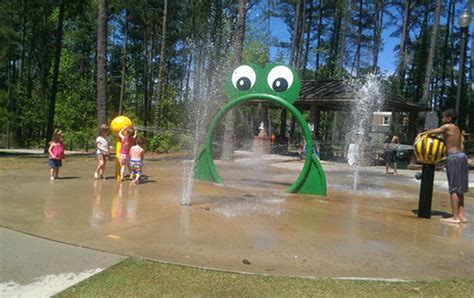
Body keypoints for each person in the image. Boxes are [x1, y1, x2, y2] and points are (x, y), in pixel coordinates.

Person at [418, 109, 469, 224]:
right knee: (460, 188)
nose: (441, 120)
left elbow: (432, 132)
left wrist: (422, 134)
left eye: (443, 118)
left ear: (449, 119)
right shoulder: (457, 129)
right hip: (462, 156)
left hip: (454, 157)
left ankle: (455, 217)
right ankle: (462, 216)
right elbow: (461, 145)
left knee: (454, 189)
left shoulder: (447, 127)